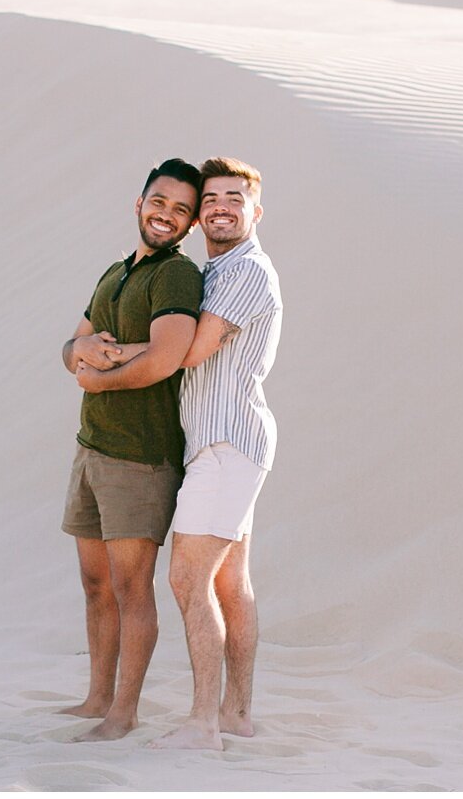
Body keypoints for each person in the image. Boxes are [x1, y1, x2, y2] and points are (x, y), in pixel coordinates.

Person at [92, 156, 282, 751]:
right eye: (211, 200)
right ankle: (236, 715)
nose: (220, 207)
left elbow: (189, 352)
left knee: (186, 578)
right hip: (222, 443)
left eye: (234, 198)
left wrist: (109, 354)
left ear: (255, 210)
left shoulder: (247, 271)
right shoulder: (219, 269)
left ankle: (203, 724)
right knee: (230, 585)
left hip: (227, 444)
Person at [58, 158, 204, 743]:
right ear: (139, 203)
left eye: (180, 210)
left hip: (140, 456)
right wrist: (86, 351)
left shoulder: (175, 275)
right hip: (92, 448)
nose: (165, 215)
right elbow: (71, 343)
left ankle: (124, 712)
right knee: (95, 586)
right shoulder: (118, 272)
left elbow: (167, 358)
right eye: (158, 202)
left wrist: (98, 371)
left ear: (191, 224)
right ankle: (97, 698)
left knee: (130, 588)